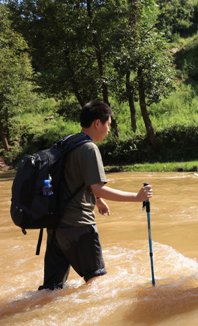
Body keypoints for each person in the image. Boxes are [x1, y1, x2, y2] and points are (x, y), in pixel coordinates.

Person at [39, 101, 153, 290]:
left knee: (51, 289)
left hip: (56, 226)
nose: (108, 130)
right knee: (97, 283)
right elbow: (98, 188)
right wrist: (137, 197)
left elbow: (71, 179)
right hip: (79, 226)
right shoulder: (89, 148)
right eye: (108, 125)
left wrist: (97, 200)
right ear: (97, 123)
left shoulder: (68, 142)